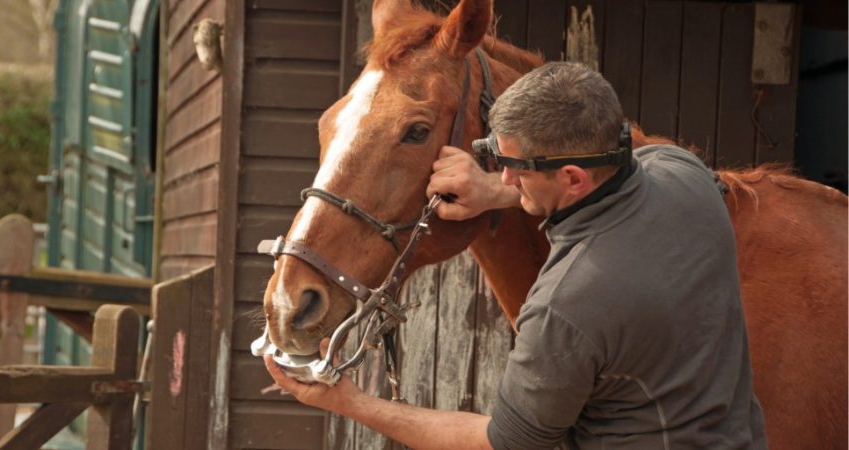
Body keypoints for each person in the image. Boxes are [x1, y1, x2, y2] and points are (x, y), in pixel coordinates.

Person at [265, 61, 767, 449]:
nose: (501, 176)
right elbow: (638, 163)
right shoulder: (686, 176)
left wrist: (351, 402)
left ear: (572, 179)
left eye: (513, 168)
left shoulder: (569, 303)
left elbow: (501, 441)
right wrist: (494, 192)